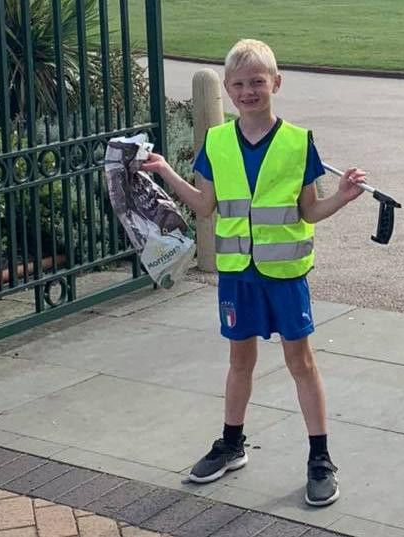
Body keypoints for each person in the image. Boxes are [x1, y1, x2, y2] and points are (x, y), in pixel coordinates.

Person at [140, 38, 366, 507]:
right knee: (239, 362)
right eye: (239, 84)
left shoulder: (297, 142)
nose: (248, 91)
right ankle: (232, 443)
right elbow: (205, 206)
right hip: (238, 275)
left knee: (300, 363)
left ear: (275, 84)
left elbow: (308, 209)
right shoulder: (217, 142)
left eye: (257, 82)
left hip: (284, 273)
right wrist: (164, 170)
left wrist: (341, 199)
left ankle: (320, 457)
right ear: (227, 88)